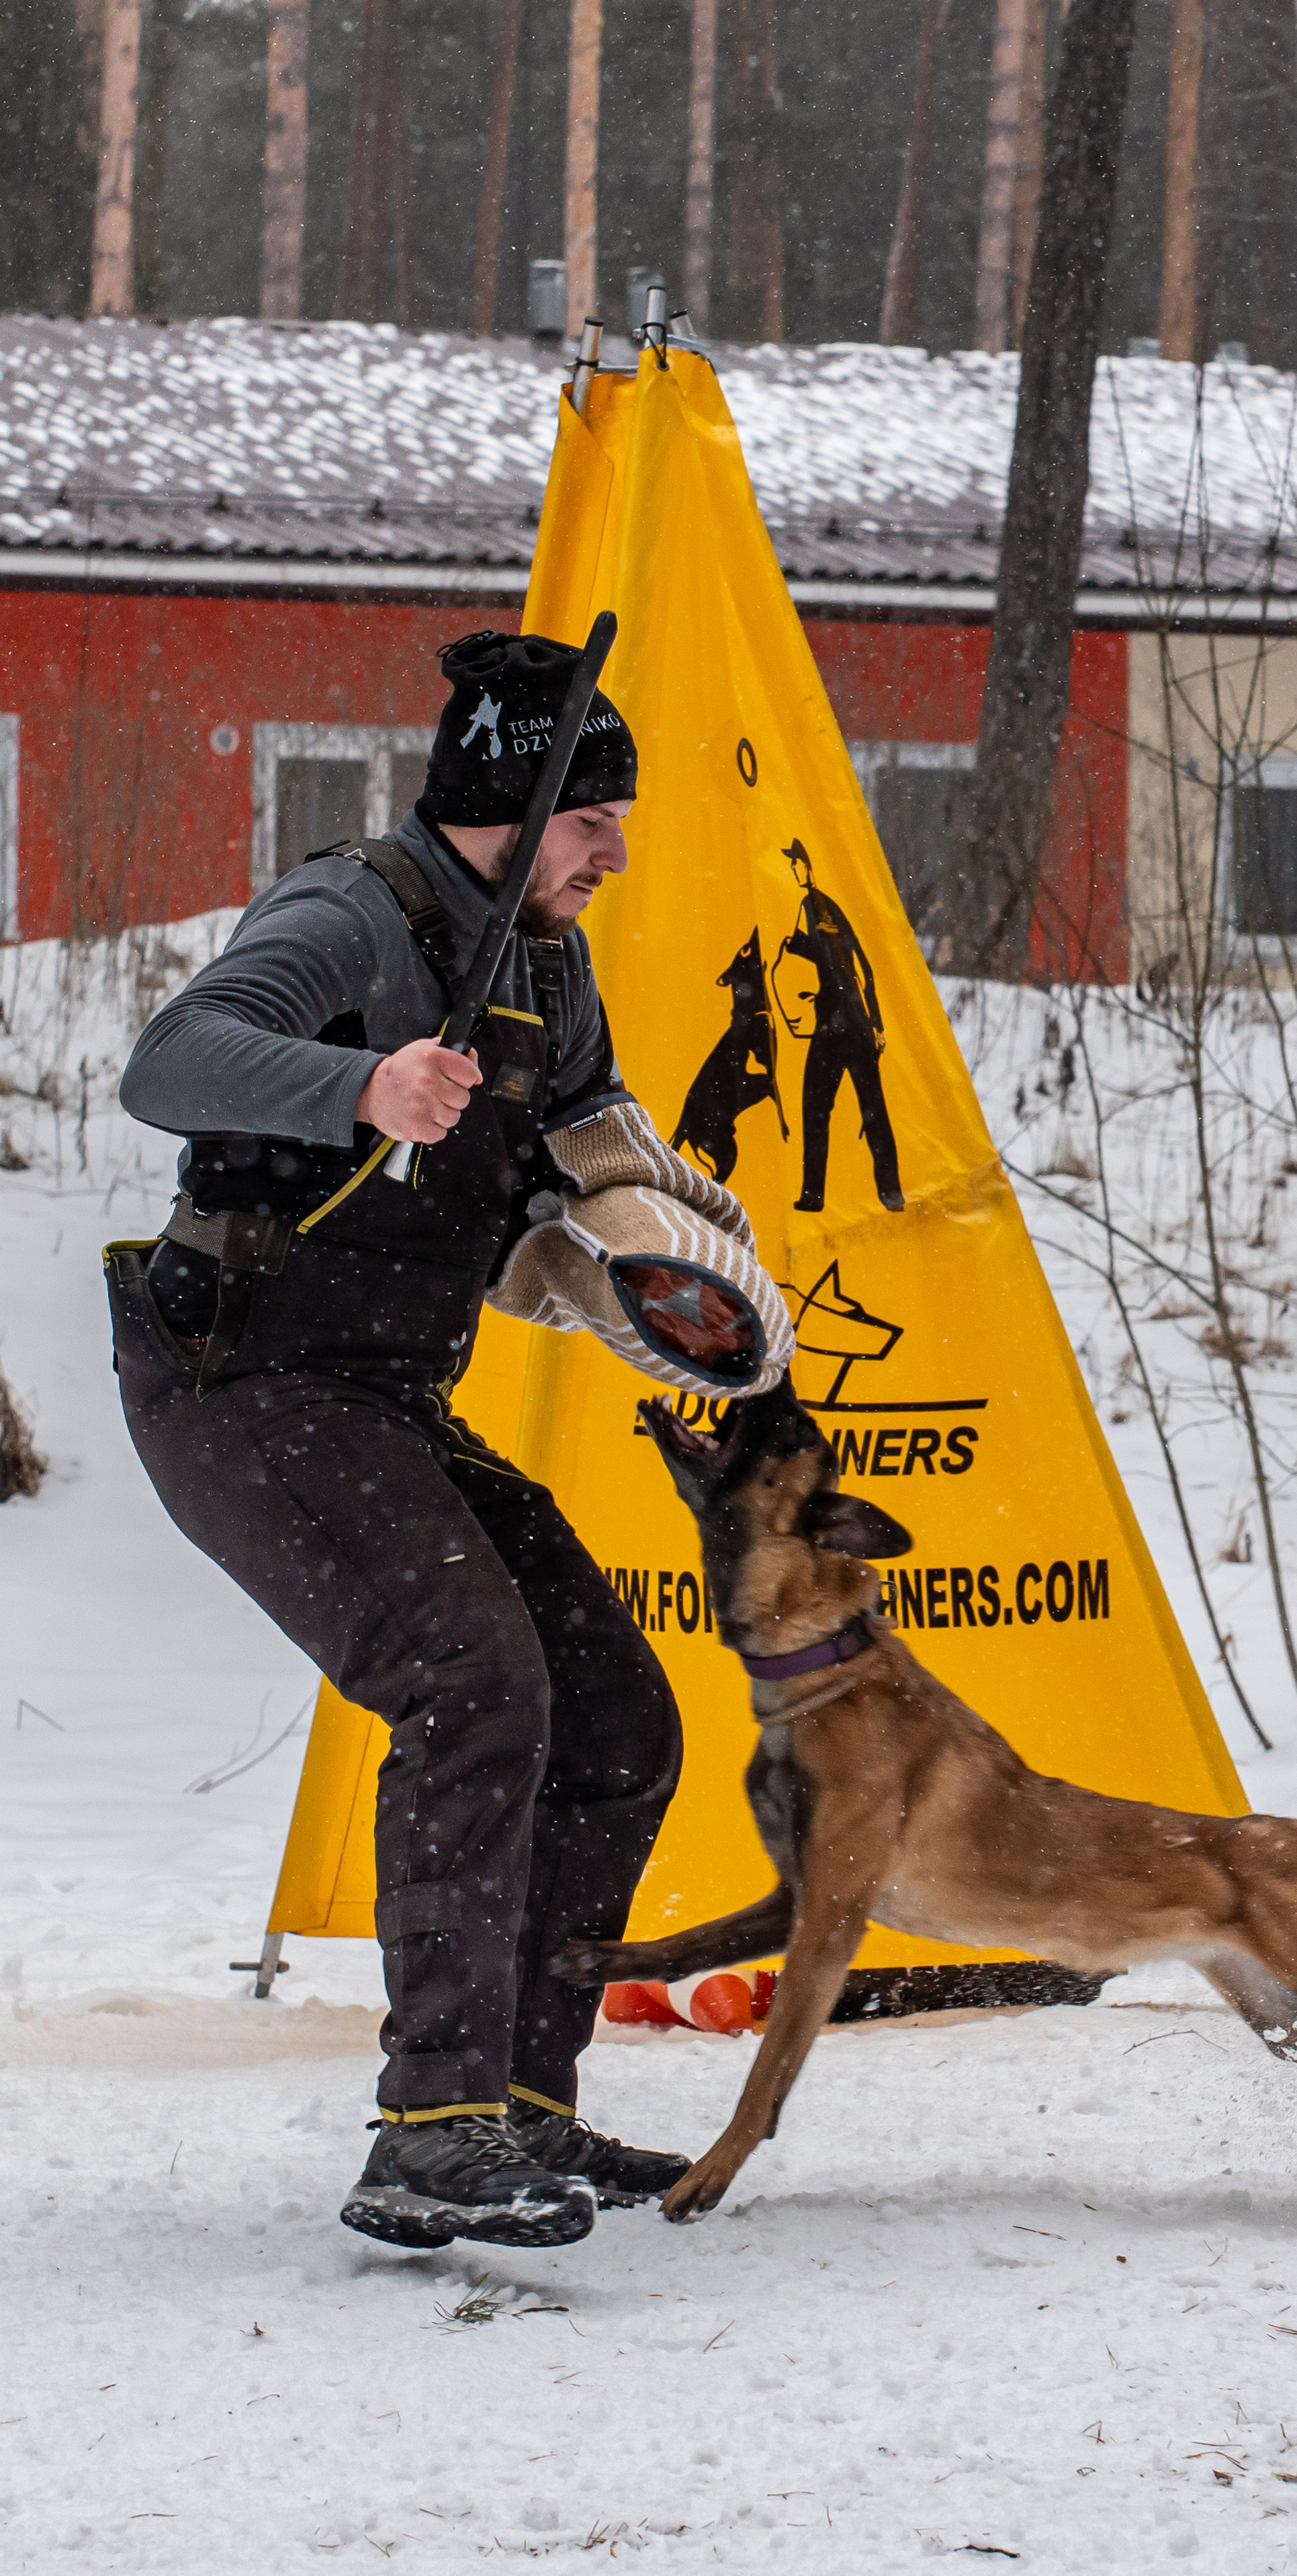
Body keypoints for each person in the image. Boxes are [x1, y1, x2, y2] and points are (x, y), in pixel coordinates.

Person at [109, 630, 717, 2253]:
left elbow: (576, 1157)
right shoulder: (347, 917)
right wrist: (362, 1084)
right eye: (592, 819)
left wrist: (634, 1261)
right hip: (236, 1379)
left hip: (379, 1397)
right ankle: (427, 2134)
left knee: (612, 1712)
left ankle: (517, 2105)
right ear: (506, 801)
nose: (614, 851)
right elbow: (166, 1065)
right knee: (468, 1676)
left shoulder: (547, 962)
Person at [770, 838, 903, 1213]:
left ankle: (835, 1193)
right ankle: (879, 1191)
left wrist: (874, 1022)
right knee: (860, 1110)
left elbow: (853, 963)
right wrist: (874, 1020)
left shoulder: (815, 906)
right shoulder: (821, 907)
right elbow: (853, 963)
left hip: (839, 1027)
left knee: (833, 1111)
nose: (793, 870)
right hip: (845, 1025)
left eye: (796, 864)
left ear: (807, 867)